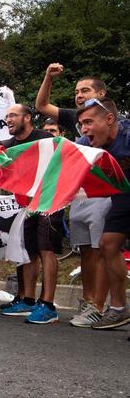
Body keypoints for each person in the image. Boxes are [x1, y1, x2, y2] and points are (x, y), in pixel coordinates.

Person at [35, 63, 112, 327]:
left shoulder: (113, 122)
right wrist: (48, 77)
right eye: (77, 91)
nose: (79, 95)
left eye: (86, 90)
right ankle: (89, 301)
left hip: (104, 194)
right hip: (79, 196)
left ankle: (100, 305)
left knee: (100, 249)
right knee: (86, 253)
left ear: (101, 94)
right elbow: (42, 105)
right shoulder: (72, 117)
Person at [0, 105, 61, 324]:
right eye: (6, 116)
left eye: (12, 115)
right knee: (27, 250)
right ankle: (29, 300)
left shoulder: (44, 137)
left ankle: (49, 305)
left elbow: (61, 164)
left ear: (27, 117)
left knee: (46, 249)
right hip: (24, 204)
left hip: (49, 200)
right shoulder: (9, 145)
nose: (8, 119)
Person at [75, 98, 130, 330]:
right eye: (81, 124)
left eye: (88, 122)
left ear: (109, 119)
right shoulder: (89, 144)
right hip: (123, 196)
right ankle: (118, 309)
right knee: (107, 244)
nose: (84, 129)